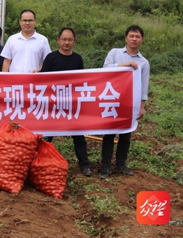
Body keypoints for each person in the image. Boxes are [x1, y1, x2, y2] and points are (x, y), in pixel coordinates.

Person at [100, 25, 150, 179]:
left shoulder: (144, 63)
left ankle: (121, 164)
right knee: (109, 134)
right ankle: (105, 166)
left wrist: (141, 106)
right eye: (131, 36)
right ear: (126, 38)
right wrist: (124, 65)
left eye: (137, 36)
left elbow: (143, 86)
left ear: (141, 40)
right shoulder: (115, 53)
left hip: (130, 102)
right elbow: (105, 68)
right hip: (112, 100)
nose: (134, 39)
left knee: (126, 135)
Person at [40, 27, 92, 177]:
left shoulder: (78, 59)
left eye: (70, 40)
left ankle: (84, 165)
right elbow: (43, 80)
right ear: (58, 40)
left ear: (74, 41)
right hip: (53, 104)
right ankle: (39, 161)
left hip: (71, 105)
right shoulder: (51, 58)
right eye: (64, 39)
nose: (66, 42)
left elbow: (81, 80)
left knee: (78, 136)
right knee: (47, 136)